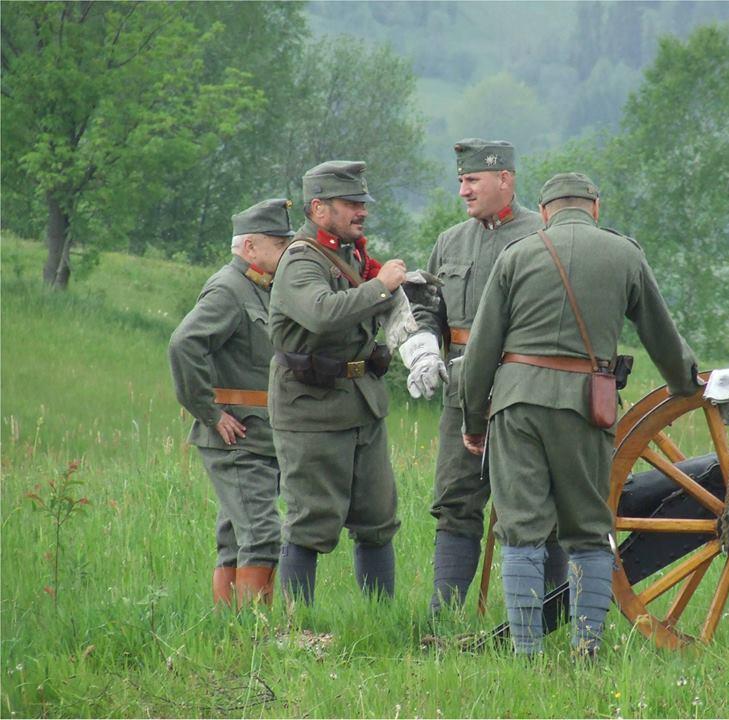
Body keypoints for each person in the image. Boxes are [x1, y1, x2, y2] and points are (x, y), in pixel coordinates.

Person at [459, 173, 701, 657]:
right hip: (586, 405)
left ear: (545, 212)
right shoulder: (624, 255)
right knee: (590, 529)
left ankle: (526, 654)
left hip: (515, 404)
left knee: (521, 528)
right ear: (595, 207)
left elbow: (482, 351)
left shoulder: (516, 255)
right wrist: (686, 383)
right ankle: (586, 648)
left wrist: (474, 422)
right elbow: (660, 334)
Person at [401, 138, 567, 614]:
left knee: (542, 507)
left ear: (505, 180)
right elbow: (428, 306)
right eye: (460, 181)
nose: (463, 192)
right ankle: (444, 616)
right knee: (455, 504)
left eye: (472, 180)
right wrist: (424, 348)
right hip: (462, 394)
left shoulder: (545, 237)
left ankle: (551, 615)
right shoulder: (450, 241)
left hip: (526, 393)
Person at [269, 160, 406, 605]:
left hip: (361, 403)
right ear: (318, 208)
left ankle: (379, 621)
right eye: (350, 203)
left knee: (377, 520)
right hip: (312, 408)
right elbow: (322, 313)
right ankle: (296, 627)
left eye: (362, 202)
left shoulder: (352, 255)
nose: (361, 211)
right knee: (310, 522)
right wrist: (380, 288)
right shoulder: (301, 259)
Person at [168, 197, 295, 608]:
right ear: (251, 247)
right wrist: (209, 412)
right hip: (236, 435)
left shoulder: (261, 288)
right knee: (261, 534)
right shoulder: (228, 288)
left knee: (233, 537)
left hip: (259, 434)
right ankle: (255, 636)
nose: (287, 251)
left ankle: (230, 632)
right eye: (279, 244)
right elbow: (185, 344)